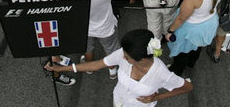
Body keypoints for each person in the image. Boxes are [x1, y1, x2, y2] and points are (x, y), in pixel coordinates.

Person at [45, 29, 193, 106]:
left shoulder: (161, 73)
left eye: (127, 58)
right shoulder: (123, 53)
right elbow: (97, 65)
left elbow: (187, 87)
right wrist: (62, 69)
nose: (122, 58)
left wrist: (157, 97)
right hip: (119, 100)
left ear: (141, 59)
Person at [63, 0, 119, 79]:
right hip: (105, 27)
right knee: (110, 49)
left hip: (84, 28)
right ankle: (112, 70)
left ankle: (89, 67)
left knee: (88, 49)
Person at [165, 0, 225, 76]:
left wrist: (170, 31)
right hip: (208, 23)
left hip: (191, 29)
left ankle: (176, 70)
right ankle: (191, 63)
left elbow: (182, 18)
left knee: (182, 52)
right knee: (196, 47)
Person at [22, 0, 76, 86]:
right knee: (52, 50)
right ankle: (55, 74)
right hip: (47, 29)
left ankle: (54, 59)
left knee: (51, 49)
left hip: (39, 30)